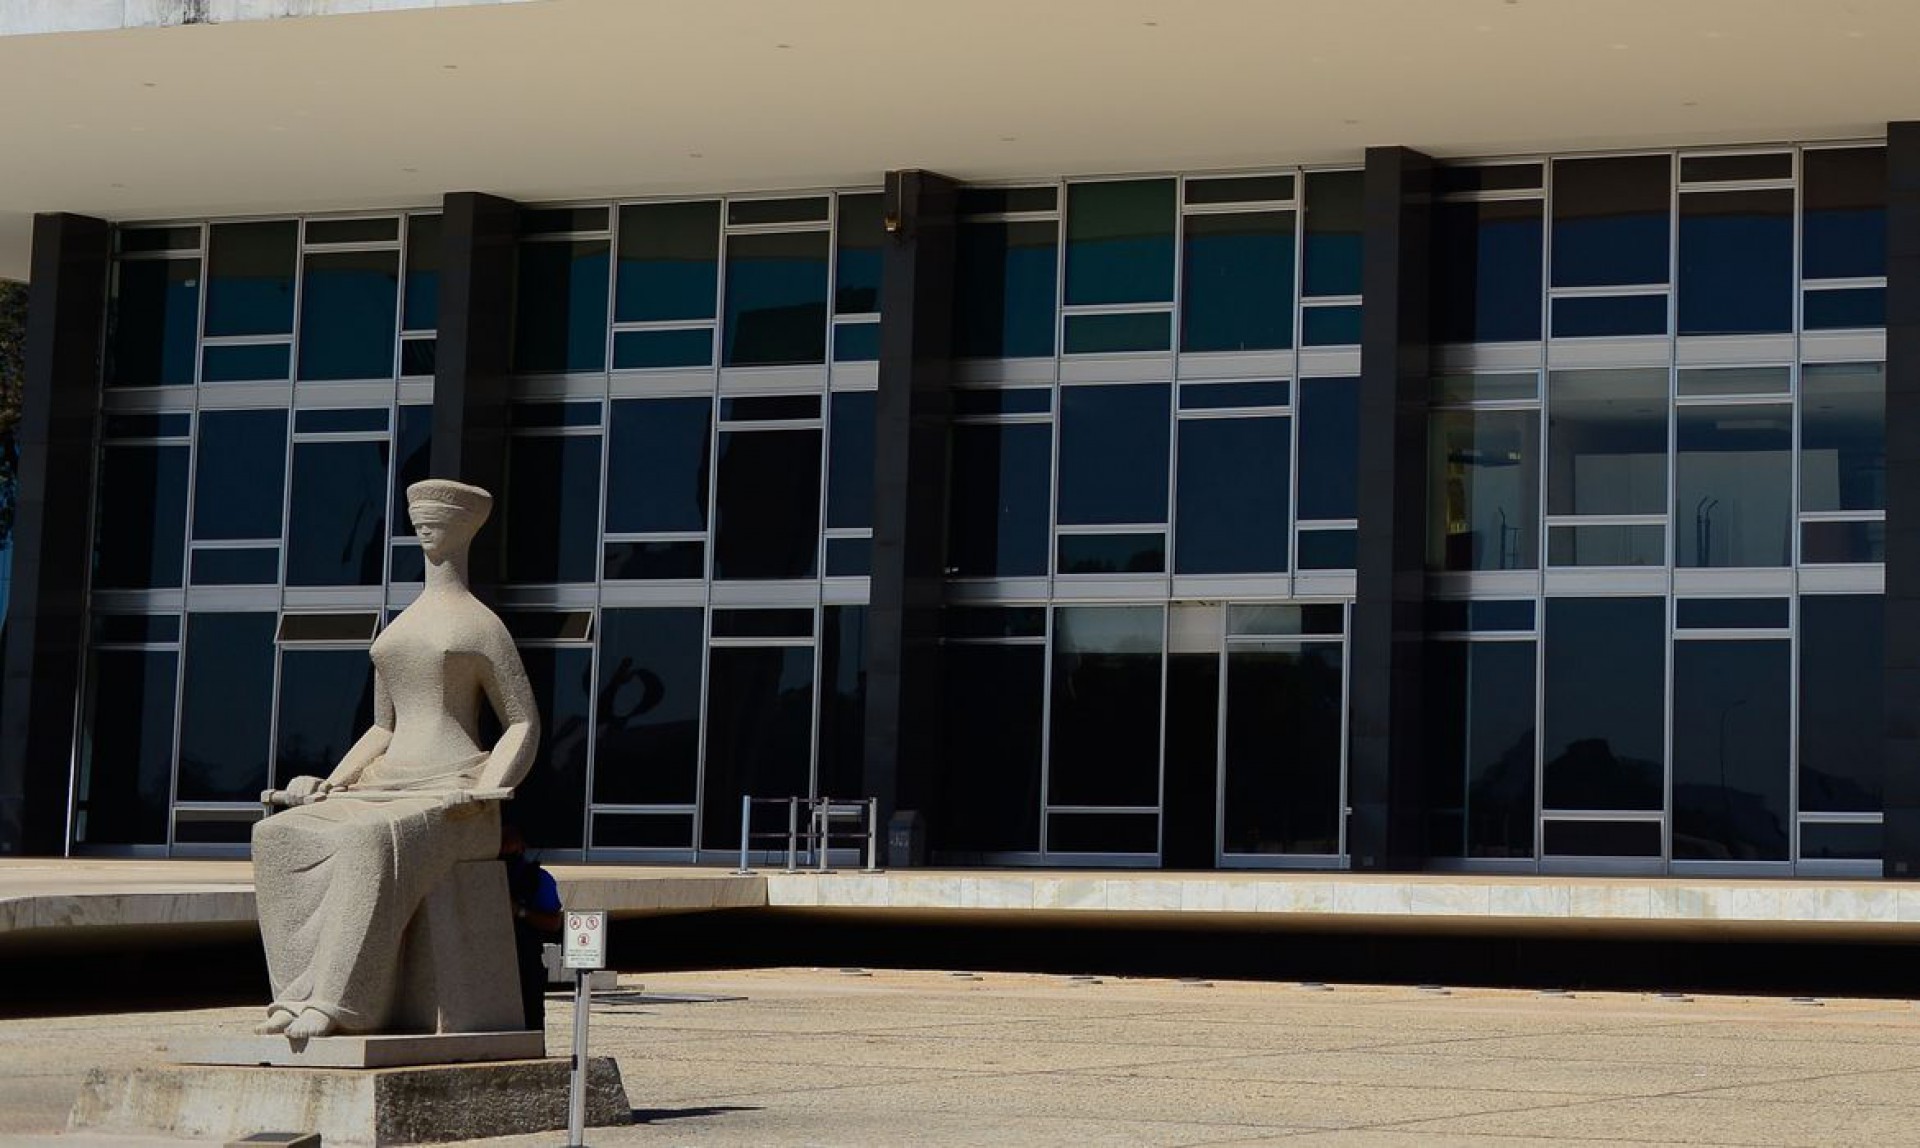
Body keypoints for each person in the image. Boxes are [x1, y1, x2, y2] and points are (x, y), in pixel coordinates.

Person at [250, 479, 539, 1039]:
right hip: (382, 783)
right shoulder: (400, 625)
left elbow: (523, 721)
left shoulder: (482, 626)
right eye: (420, 519)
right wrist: (330, 784)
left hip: (453, 793)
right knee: (276, 837)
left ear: (465, 530)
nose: (427, 527)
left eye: (440, 520)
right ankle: (293, 996)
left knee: (366, 841)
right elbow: (383, 726)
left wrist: (487, 788)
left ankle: (339, 1004)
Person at [501, 820, 563, 1030]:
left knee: (531, 1024)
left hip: (525, 962)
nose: (504, 847)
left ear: (522, 846)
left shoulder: (537, 879)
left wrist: (520, 911)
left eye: (509, 842)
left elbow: (553, 922)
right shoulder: (478, 874)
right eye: (501, 842)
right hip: (488, 961)